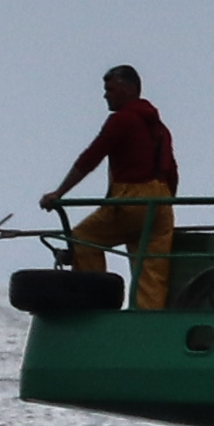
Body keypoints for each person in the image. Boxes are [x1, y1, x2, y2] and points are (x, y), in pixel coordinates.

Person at [44, 65, 177, 313]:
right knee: (151, 269)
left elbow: (91, 157)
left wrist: (59, 193)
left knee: (83, 238)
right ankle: (147, 320)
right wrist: (166, 202)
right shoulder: (159, 128)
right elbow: (172, 172)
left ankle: (94, 305)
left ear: (128, 90)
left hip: (132, 199)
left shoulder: (122, 120)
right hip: (162, 203)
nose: (106, 95)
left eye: (110, 89)